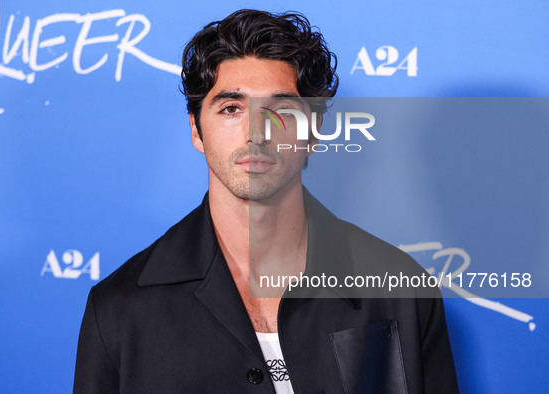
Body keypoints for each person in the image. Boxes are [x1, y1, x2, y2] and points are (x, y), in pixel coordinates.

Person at [73, 9, 459, 393]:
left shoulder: (401, 288)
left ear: (313, 132)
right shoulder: (120, 309)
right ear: (196, 129)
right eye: (231, 108)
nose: (257, 133)